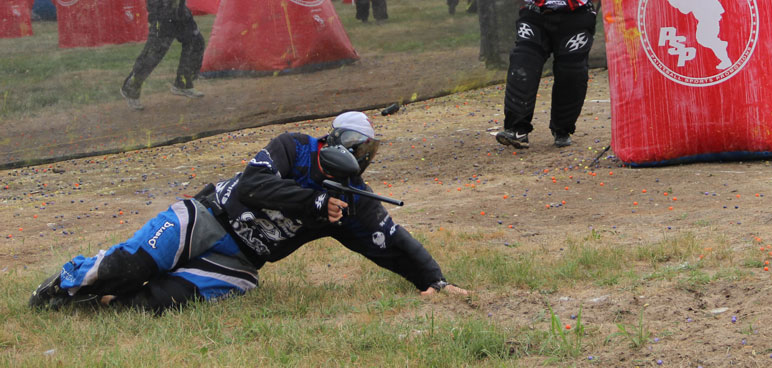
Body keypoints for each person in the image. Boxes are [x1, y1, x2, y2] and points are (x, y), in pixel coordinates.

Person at [29, 111, 467, 313]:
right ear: (333, 141)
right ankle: (65, 283)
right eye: (357, 148)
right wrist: (313, 201)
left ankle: (103, 304)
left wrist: (434, 281)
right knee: (129, 266)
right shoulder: (294, 148)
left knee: (156, 304)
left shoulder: (352, 199)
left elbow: (389, 241)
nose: (360, 158)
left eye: (365, 153)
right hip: (205, 218)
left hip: (239, 262)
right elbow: (253, 186)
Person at [495, 0, 598, 149]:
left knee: (572, 73)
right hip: (536, 15)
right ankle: (517, 128)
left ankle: (562, 129)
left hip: (575, 16)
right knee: (522, 65)